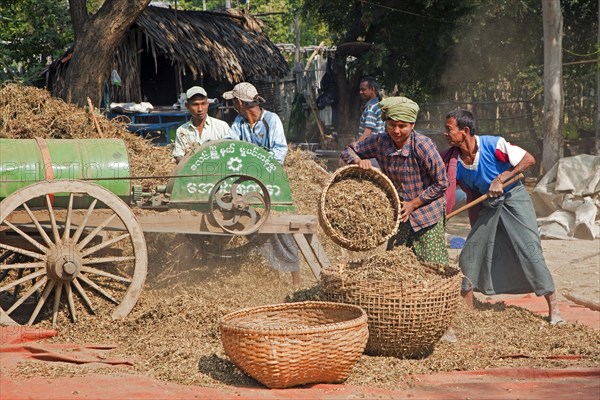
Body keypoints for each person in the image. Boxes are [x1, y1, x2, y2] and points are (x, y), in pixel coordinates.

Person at [441, 109, 564, 325]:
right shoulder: (453, 162)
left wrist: (501, 177)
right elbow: (454, 191)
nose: (445, 134)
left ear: (465, 131)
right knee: (469, 253)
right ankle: (468, 312)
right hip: (488, 205)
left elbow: (529, 159)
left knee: (530, 250)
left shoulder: (493, 144)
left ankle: (555, 309)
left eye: (449, 129)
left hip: (514, 200)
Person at [340, 96, 449, 266]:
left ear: (412, 125)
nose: (396, 131)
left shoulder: (423, 145)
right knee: (396, 264)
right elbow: (348, 150)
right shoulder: (379, 141)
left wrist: (414, 203)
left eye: (402, 126)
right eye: (392, 125)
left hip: (427, 213)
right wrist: (357, 161)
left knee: (434, 266)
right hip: (400, 212)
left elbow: (442, 182)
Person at [222, 82, 300, 285]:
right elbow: (230, 145)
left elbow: (280, 152)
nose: (233, 105)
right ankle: (272, 268)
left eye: (233, 102)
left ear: (239, 102)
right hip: (247, 183)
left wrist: (257, 166)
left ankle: (296, 276)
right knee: (252, 224)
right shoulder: (239, 123)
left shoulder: (271, 120)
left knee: (280, 227)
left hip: (270, 180)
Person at [172, 86, 230, 163]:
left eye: (203, 104)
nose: (200, 109)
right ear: (187, 106)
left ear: (208, 104)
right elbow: (178, 155)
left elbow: (230, 151)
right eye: (195, 104)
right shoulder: (182, 131)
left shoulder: (221, 127)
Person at [357, 77, 385, 142]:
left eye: (363, 89)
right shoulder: (378, 105)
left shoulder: (371, 108)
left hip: (370, 147)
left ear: (372, 90)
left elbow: (367, 133)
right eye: (360, 89)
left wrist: (354, 148)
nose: (360, 92)